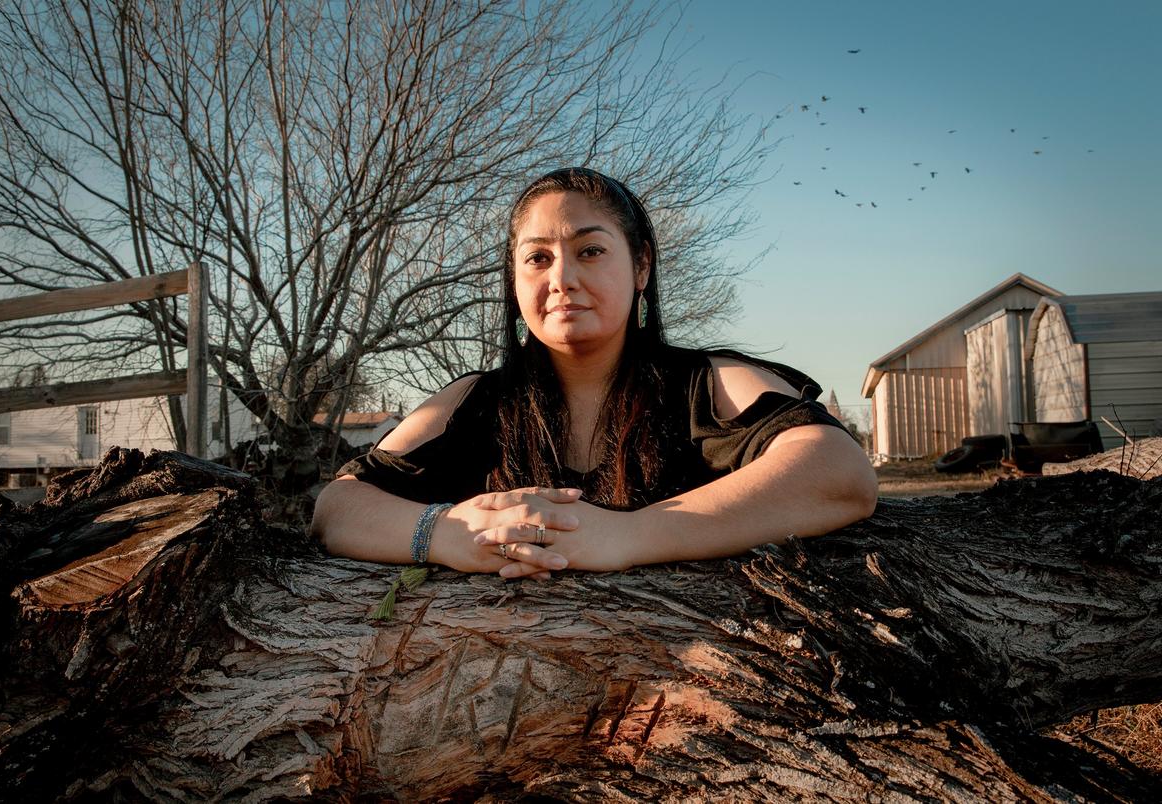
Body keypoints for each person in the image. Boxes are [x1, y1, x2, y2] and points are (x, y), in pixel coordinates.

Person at [312, 168, 877, 580]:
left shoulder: (711, 382)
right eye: (537, 258)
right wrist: (440, 533)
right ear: (514, 281)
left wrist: (631, 535)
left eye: (589, 251)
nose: (562, 279)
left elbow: (840, 473)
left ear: (641, 266)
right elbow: (338, 507)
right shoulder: (472, 400)